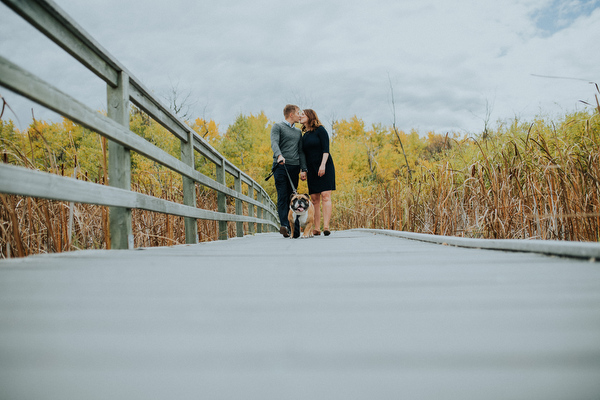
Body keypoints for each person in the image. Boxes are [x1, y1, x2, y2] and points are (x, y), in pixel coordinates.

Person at [270, 104, 307, 237]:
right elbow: (274, 142)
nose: (300, 115)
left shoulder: (298, 132)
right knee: (282, 195)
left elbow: (301, 151)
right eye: (298, 112)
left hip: (294, 167)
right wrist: (279, 155)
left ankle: (291, 226)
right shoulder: (277, 127)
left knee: (292, 196)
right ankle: (284, 225)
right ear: (291, 114)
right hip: (280, 166)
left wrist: (303, 168)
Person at [299, 109, 336, 236]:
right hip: (311, 168)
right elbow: (302, 154)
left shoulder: (321, 130)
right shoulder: (305, 136)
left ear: (310, 116)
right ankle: (316, 228)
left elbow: (326, 149)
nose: (300, 116)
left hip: (325, 165)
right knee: (314, 199)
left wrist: (323, 165)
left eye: (302, 114)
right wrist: (303, 170)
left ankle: (326, 226)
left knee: (326, 195)